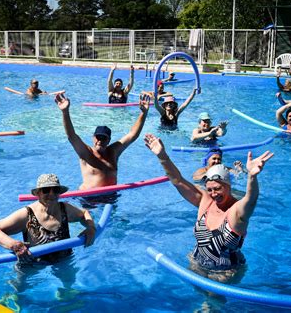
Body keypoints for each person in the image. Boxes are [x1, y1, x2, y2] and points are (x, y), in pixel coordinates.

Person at [144, 133, 274, 273]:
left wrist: (252, 177)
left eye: (218, 189)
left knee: (212, 295)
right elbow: (178, 181)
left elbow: (251, 199)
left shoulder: (236, 211)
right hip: (196, 263)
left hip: (225, 272)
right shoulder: (205, 201)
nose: (213, 194)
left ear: (228, 186)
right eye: (210, 189)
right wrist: (162, 156)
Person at [0, 173, 96, 264]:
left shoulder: (64, 209)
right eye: (46, 190)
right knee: (19, 288)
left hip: (63, 259)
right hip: (33, 262)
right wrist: (14, 245)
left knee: (68, 287)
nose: (51, 194)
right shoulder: (27, 215)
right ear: (38, 193)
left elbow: (84, 213)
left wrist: (91, 227)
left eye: (55, 190)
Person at [55, 92, 150, 190]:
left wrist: (143, 113)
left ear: (109, 140)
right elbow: (71, 136)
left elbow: (132, 135)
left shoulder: (113, 151)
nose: (100, 140)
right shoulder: (86, 153)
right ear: (93, 138)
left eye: (104, 138)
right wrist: (65, 112)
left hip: (111, 197)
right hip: (89, 199)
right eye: (98, 137)